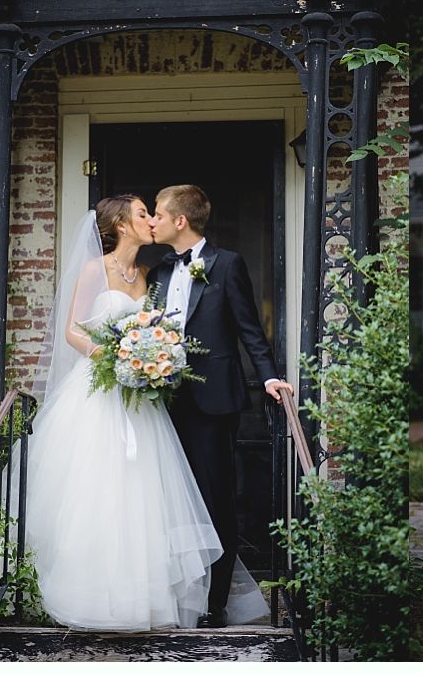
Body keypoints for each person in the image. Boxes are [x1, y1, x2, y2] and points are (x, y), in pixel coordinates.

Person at [17, 195, 266, 631]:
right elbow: (72, 329)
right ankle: (92, 596)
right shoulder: (97, 270)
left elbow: (167, 328)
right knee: (97, 494)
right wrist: (112, 358)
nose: (150, 219)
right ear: (122, 224)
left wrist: (145, 360)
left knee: (146, 499)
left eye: (154, 212)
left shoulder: (154, 275)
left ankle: (148, 599)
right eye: (141, 213)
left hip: (144, 403)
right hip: (100, 395)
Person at [148, 184, 292, 628]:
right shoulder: (156, 272)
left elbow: (250, 328)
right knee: (166, 501)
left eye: (157, 212)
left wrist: (268, 375)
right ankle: (175, 594)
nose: (152, 219)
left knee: (214, 501)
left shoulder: (227, 265)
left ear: (180, 221)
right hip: (159, 404)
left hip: (212, 402)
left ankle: (215, 601)